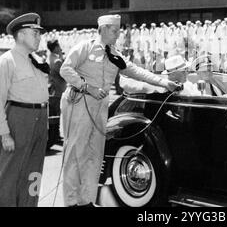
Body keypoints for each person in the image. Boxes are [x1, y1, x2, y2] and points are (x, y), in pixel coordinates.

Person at [59, 14, 179, 207]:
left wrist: (164, 82)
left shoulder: (115, 54)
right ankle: (71, 202)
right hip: (80, 102)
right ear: (104, 29)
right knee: (75, 153)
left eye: (118, 30)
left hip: (100, 106)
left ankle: (86, 200)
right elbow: (65, 69)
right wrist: (86, 86)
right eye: (114, 30)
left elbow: (135, 71)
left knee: (94, 154)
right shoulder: (85, 47)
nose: (118, 34)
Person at [0, 13, 50, 207]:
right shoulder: (7, 61)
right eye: (34, 33)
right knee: (9, 174)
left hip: (39, 119)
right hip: (18, 119)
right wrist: (4, 133)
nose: (39, 37)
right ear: (20, 35)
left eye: (39, 34)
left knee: (33, 172)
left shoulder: (36, 60)